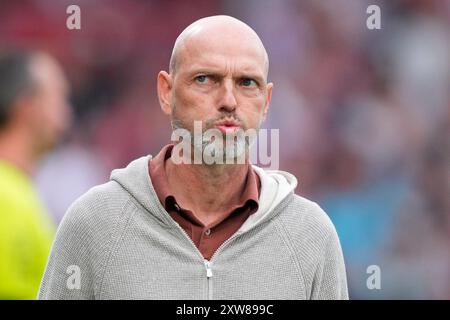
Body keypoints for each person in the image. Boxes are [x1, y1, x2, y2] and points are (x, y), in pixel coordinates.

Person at [38, 15, 348, 300]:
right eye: (205, 79)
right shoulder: (94, 223)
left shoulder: (310, 235)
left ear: (266, 103)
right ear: (166, 92)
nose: (228, 101)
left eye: (246, 83)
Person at [0, 50, 71, 299]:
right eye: (58, 97)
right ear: (27, 107)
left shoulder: (18, 191)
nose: (67, 114)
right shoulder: (7, 198)